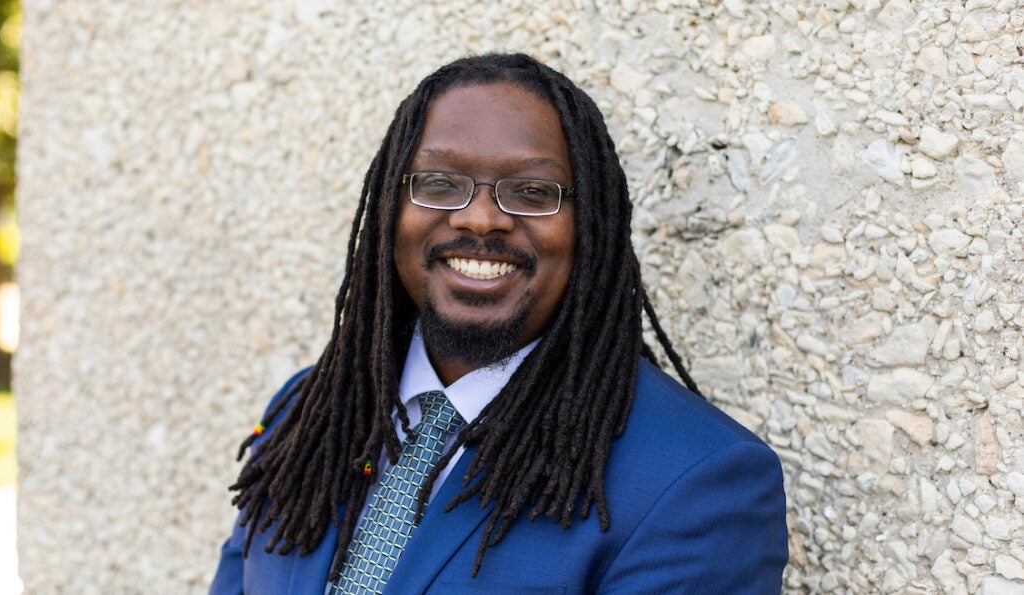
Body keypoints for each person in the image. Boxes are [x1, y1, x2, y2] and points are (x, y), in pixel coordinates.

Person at [210, 53, 788, 594]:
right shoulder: (306, 415)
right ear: (390, 204)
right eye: (439, 184)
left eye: (532, 191)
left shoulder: (698, 483)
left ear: (592, 226)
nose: (481, 218)